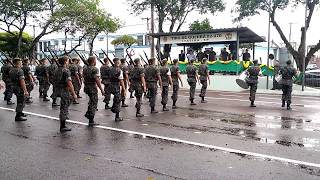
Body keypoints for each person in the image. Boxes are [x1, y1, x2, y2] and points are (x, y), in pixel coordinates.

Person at [55, 56, 77, 132]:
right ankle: (63, 126)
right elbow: (69, 82)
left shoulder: (57, 69)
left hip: (59, 89)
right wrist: (74, 93)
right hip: (65, 90)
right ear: (65, 62)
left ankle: (63, 120)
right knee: (64, 107)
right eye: (67, 61)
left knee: (64, 106)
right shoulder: (66, 70)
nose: (68, 62)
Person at [83, 56, 104, 126]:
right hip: (92, 87)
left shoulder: (85, 68)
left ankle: (88, 114)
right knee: (94, 103)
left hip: (87, 87)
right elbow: (97, 80)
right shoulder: (95, 69)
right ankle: (91, 120)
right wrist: (101, 89)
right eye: (95, 60)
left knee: (91, 101)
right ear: (93, 61)